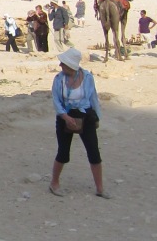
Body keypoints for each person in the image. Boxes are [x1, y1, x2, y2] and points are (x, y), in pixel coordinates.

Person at [47, 48, 110, 199]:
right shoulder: (58, 79)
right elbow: (56, 100)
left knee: (94, 152)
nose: (60, 65)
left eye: (63, 63)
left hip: (85, 115)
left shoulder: (87, 77)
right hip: (65, 116)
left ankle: (100, 188)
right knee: (63, 152)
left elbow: (93, 98)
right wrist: (65, 117)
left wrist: (97, 117)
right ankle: (54, 183)